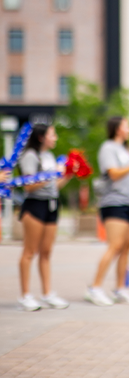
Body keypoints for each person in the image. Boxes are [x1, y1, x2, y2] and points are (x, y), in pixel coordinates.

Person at [87, 116, 129, 307]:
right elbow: (113, 173)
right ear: (117, 128)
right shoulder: (108, 148)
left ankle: (121, 288)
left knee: (127, 247)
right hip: (114, 202)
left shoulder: (128, 150)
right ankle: (95, 287)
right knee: (115, 245)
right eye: (126, 125)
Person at [17, 123, 72, 311]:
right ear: (41, 137)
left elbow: (54, 186)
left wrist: (67, 175)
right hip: (35, 206)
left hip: (52, 204)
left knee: (46, 252)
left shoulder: (48, 156)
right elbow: (28, 185)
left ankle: (47, 293)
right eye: (52, 134)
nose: (55, 137)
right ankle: (25, 295)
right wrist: (51, 174)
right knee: (29, 251)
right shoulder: (30, 156)